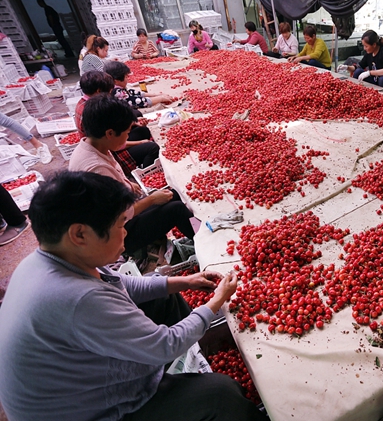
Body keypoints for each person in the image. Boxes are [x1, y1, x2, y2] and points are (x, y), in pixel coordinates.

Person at [0, 170, 267, 421]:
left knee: (163, 295)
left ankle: (189, 365)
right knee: (221, 395)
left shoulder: (48, 259)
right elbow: (165, 344)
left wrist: (183, 281)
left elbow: (120, 284)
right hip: (91, 413)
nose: (126, 232)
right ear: (79, 233)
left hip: (78, 383)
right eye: (120, 225)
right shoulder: (77, 300)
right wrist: (215, 302)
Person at [69, 94, 194, 256]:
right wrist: (151, 200)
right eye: (127, 133)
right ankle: (206, 246)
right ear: (110, 133)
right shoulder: (95, 168)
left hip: (116, 218)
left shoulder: (93, 145)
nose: (128, 137)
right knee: (176, 209)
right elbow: (121, 215)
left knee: (173, 194)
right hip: (114, 237)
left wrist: (124, 184)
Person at [75, 70, 159, 171]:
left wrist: (132, 123)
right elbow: (112, 143)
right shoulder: (97, 111)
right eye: (109, 92)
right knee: (152, 148)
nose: (110, 95)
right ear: (98, 91)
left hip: (106, 143)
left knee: (142, 128)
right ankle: (145, 174)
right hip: (109, 150)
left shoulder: (83, 103)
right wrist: (140, 142)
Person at [104, 61, 174, 109]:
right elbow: (137, 102)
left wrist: (156, 95)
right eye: (126, 77)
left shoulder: (115, 87)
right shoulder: (116, 92)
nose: (128, 79)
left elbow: (132, 93)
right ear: (116, 81)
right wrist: (160, 98)